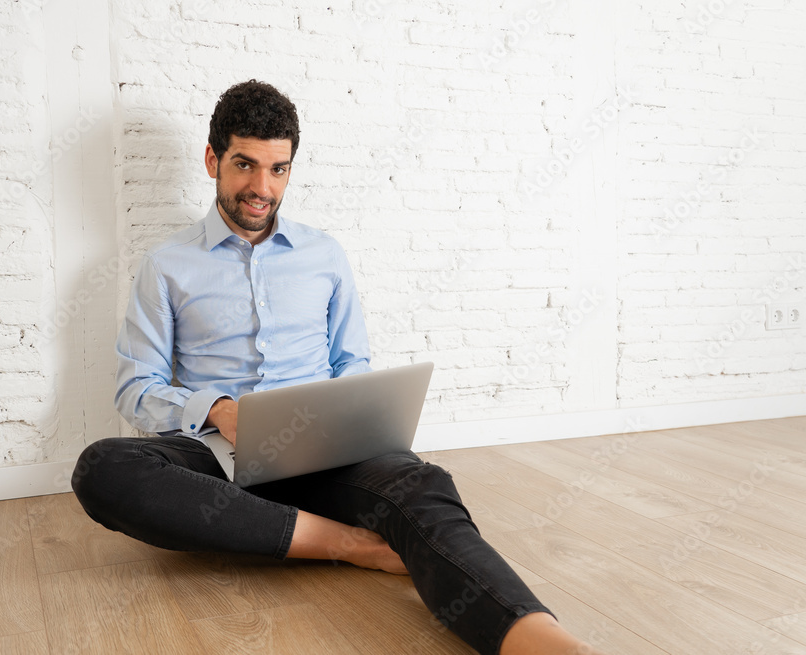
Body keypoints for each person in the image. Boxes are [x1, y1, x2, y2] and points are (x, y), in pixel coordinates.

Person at [72, 80, 607, 655]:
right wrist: (219, 411)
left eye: (278, 169)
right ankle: (346, 543)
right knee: (104, 468)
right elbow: (137, 387)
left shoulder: (324, 255)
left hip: (323, 451)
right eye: (245, 164)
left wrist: (353, 424)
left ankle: (539, 638)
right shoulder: (166, 266)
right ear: (212, 161)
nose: (261, 188)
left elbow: (352, 363)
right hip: (218, 455)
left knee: (423, 484)